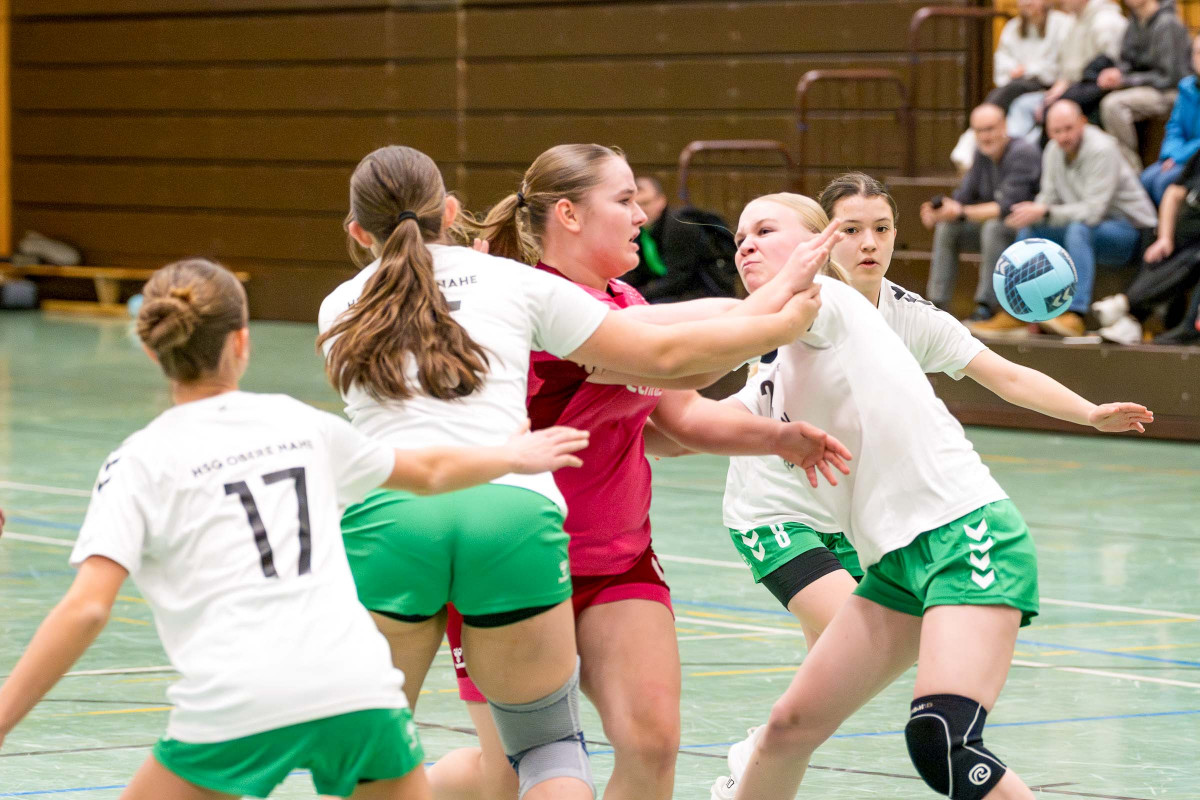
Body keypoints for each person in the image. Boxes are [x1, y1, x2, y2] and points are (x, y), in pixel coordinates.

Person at [316, 145, 826, 800]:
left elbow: (671, 377)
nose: (639, 214)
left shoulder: (342, 305)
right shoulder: (518, 287)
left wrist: (776, 417)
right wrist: (785, 311)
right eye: (624, 199)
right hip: (515, 527)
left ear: (359, 233)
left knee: (380, 754)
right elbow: (671, 354)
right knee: (534, 757)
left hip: (418, 522)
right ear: (450, 211)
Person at [0, 258, 599, 800]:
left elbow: (87, 608)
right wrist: (509, 457)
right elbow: (428, 470)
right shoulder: (299, 423)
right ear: (242, 342)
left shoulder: (138, 461)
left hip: (241, 694)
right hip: (357, 687)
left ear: (153, 351)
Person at [691, 176, 1151, 798]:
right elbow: (700, 409)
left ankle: (766, 751)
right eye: (853, 228)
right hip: (785, 513)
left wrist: (1088, 412)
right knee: (798, 716)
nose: (868, 242)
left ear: (813, 244)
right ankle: (759, 756)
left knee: (895, 717)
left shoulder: (838, 304)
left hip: (928, 530)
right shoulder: (781, 317)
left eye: (881, 229)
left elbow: (1004, 374)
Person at [1005, 100, 1158, 337]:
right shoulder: (1053, 150)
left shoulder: (1102, 148)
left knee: (1078, 229)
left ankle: (1075, 314)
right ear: (1048, 132)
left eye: (1069, 128)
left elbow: (1093, 212)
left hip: (1131, 231)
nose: (1063, 136)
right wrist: (1033, 213)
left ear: (1083, 123)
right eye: (1057, 131)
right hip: (1086, 227)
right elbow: (1047, 198)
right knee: (1030, 230)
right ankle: (1024, 310)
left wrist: (1045, 211)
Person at [921, 104, 1041, 325]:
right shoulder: (982, 154)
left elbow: (1005, 208)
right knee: (948, 227)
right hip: (997, 230)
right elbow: (963, 197)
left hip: (1030, 231)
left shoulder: (1023, 152)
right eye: (979, 131)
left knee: (993, 227)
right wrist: (940, 211)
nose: (985, 136)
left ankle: (988, 307)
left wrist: (959, 211)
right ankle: (937, 304)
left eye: (990, 129)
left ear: (1004, 126)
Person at [1092, 148, 1200, 343]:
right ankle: (1131, 320)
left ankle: (1126, 304)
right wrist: (1165, 238)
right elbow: (1174, 192)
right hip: (1183, 238)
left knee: (1195, 257)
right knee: (1156, 242)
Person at [1008, 0, 1126, 139]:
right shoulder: (1072, 21)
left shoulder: (1106, 21)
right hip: (1073, 87)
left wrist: (1061, 96)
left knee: (1052, 113)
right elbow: (1067, 69)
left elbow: (1107, 72)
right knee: (1023, 105)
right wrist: (1059, 88)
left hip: (1093, 91)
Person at [1096, 0, 1190, 171]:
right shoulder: (1135, 21)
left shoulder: (1167, 23)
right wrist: (1117, 74)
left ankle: (1130, 170)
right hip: (1144, 86)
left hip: (1169, 91)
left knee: (1113, 105)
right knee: (1096, 94)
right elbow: (1127, 60)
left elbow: (1169, 77)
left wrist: (1126, 80)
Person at [621, 176, 739, 302]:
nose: (641, 211)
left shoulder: (678, 227)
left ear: (661, 201)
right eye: (636, 204)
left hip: (704, 293)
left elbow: (677, 280)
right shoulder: (641, 229)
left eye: (646, 203)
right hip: (674, 291)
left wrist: (636, 294)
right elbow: (636, 273)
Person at [1142, 36, 1200, 205]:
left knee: (1163, 183)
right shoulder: (1186, 87)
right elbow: (1175, 127)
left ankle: (1171, 222)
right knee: (1145, 179)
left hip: (1196, 161)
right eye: (1197, 53)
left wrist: (1178, 158)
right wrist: (1171, 154)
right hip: (1178, 154)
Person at [988, 0, 1072, 115]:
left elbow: (1065, 63)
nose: (1027, 3)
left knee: (1011, 92)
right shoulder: (1013, 27)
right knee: (1000, 94)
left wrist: (1027, 70)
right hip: (1015, 83)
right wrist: (1014, 69)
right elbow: (1002, 58)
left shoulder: (1062, 24)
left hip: (1049, 85)